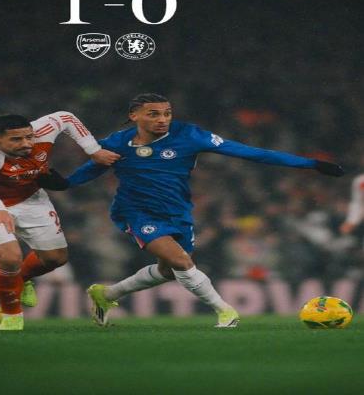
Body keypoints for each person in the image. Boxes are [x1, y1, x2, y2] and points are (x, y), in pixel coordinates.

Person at [39, 93, 344, 328]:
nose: (163, 119)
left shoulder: (190, 136)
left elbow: (250, 152)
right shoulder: (116, 143)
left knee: (168, 270)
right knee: (181, 261)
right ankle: (226, 311)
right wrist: (64, 184)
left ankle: (106, 295)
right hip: (136, 211)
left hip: (178, 211)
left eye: (167, 113)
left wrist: (311, 164)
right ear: (134, 116)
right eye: (154, 114)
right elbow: (92, 168)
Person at [0, 113, 119, 330]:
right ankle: (12, 315)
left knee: (55, 259)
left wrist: (94, 150)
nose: (26, 143)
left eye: (29, 137)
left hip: (29, 198)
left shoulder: (43, 130)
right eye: (16, 139)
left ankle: (21, 280)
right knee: (9, 258)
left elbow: (66, 117)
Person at [340, 173, 364, 238]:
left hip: (359, 206)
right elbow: (360, 198)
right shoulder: (361, 180)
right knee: (349, 226)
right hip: (359, 206)